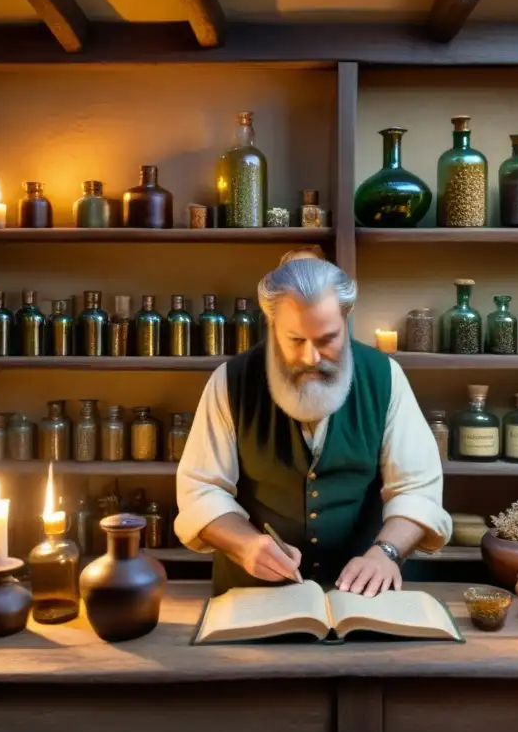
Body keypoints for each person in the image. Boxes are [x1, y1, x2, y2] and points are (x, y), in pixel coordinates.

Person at [175, 255, 451, 597]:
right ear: (272, 325)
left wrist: (387, 552)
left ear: (346, 319)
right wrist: (245, 545)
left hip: (363, 596)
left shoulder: (385, 378)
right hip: (254, 595)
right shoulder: (230, 382)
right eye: (295, 340)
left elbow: (417, 490)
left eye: (327, 339)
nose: (312, 358)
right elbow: (202, 492)